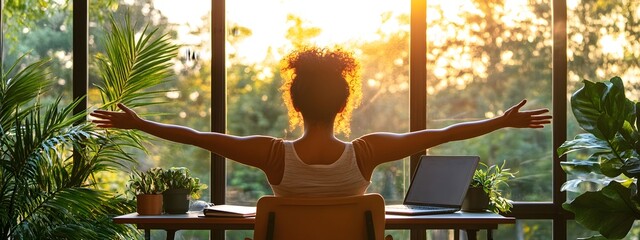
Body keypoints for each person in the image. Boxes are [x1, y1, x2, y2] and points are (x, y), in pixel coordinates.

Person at [90, 46, 552, 198]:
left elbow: (198, 137)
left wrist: (140, 123)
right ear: (344, 104)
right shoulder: (367, 153)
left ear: (294, 102)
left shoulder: (272, 156)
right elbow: (441, 134)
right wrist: (499, 121)